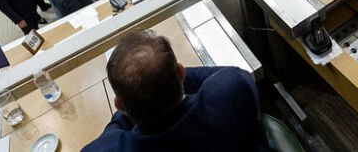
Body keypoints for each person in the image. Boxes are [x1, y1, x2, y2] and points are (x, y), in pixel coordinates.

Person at [82, 31, 267, 151]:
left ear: (119, 105)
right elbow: (235, 74)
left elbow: (112, 132)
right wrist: (165, 74)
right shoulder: (230, 91)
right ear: (181, 72)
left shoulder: (109, 147)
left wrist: (133, 96)